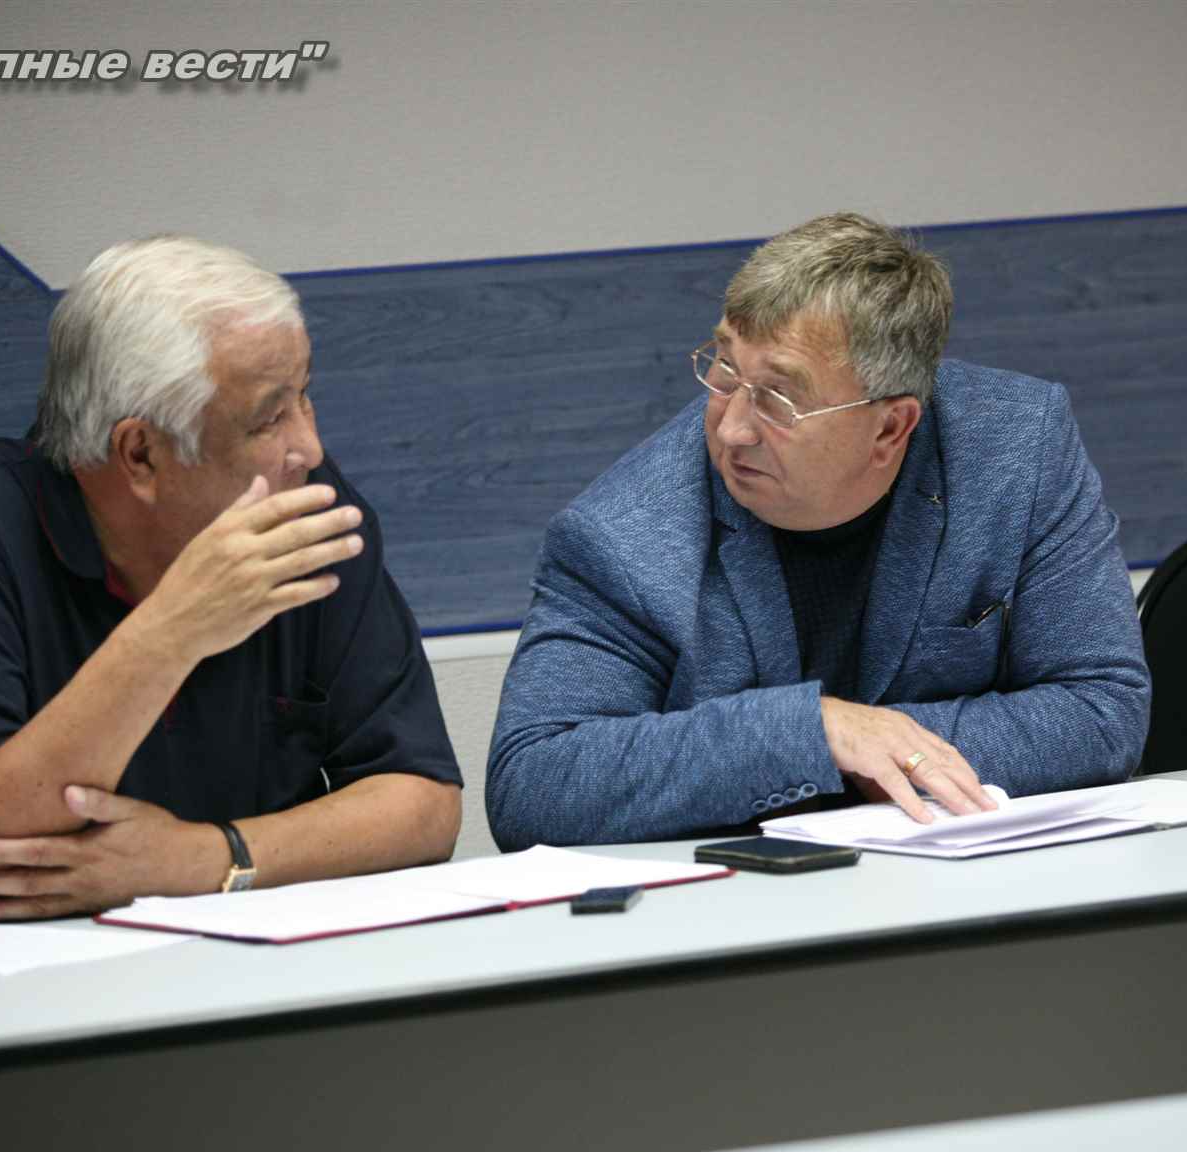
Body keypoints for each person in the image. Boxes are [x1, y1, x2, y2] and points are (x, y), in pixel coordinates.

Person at [0, 235, 461, 926]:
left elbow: (424, 802)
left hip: (228, 961)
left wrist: (203, 859)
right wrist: (171, 631)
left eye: (304, 397)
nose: (308, 447)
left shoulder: (302, 505)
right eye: (269, 417)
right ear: (139, 454)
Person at [486, 213, 1148, 851]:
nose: (732, 428)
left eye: (778, 397)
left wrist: (881, 743)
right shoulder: (622, 534)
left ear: (890, 427)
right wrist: (813, 734)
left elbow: (1101, 710)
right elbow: (533, 784)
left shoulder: (1018, 449)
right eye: (724, 369)